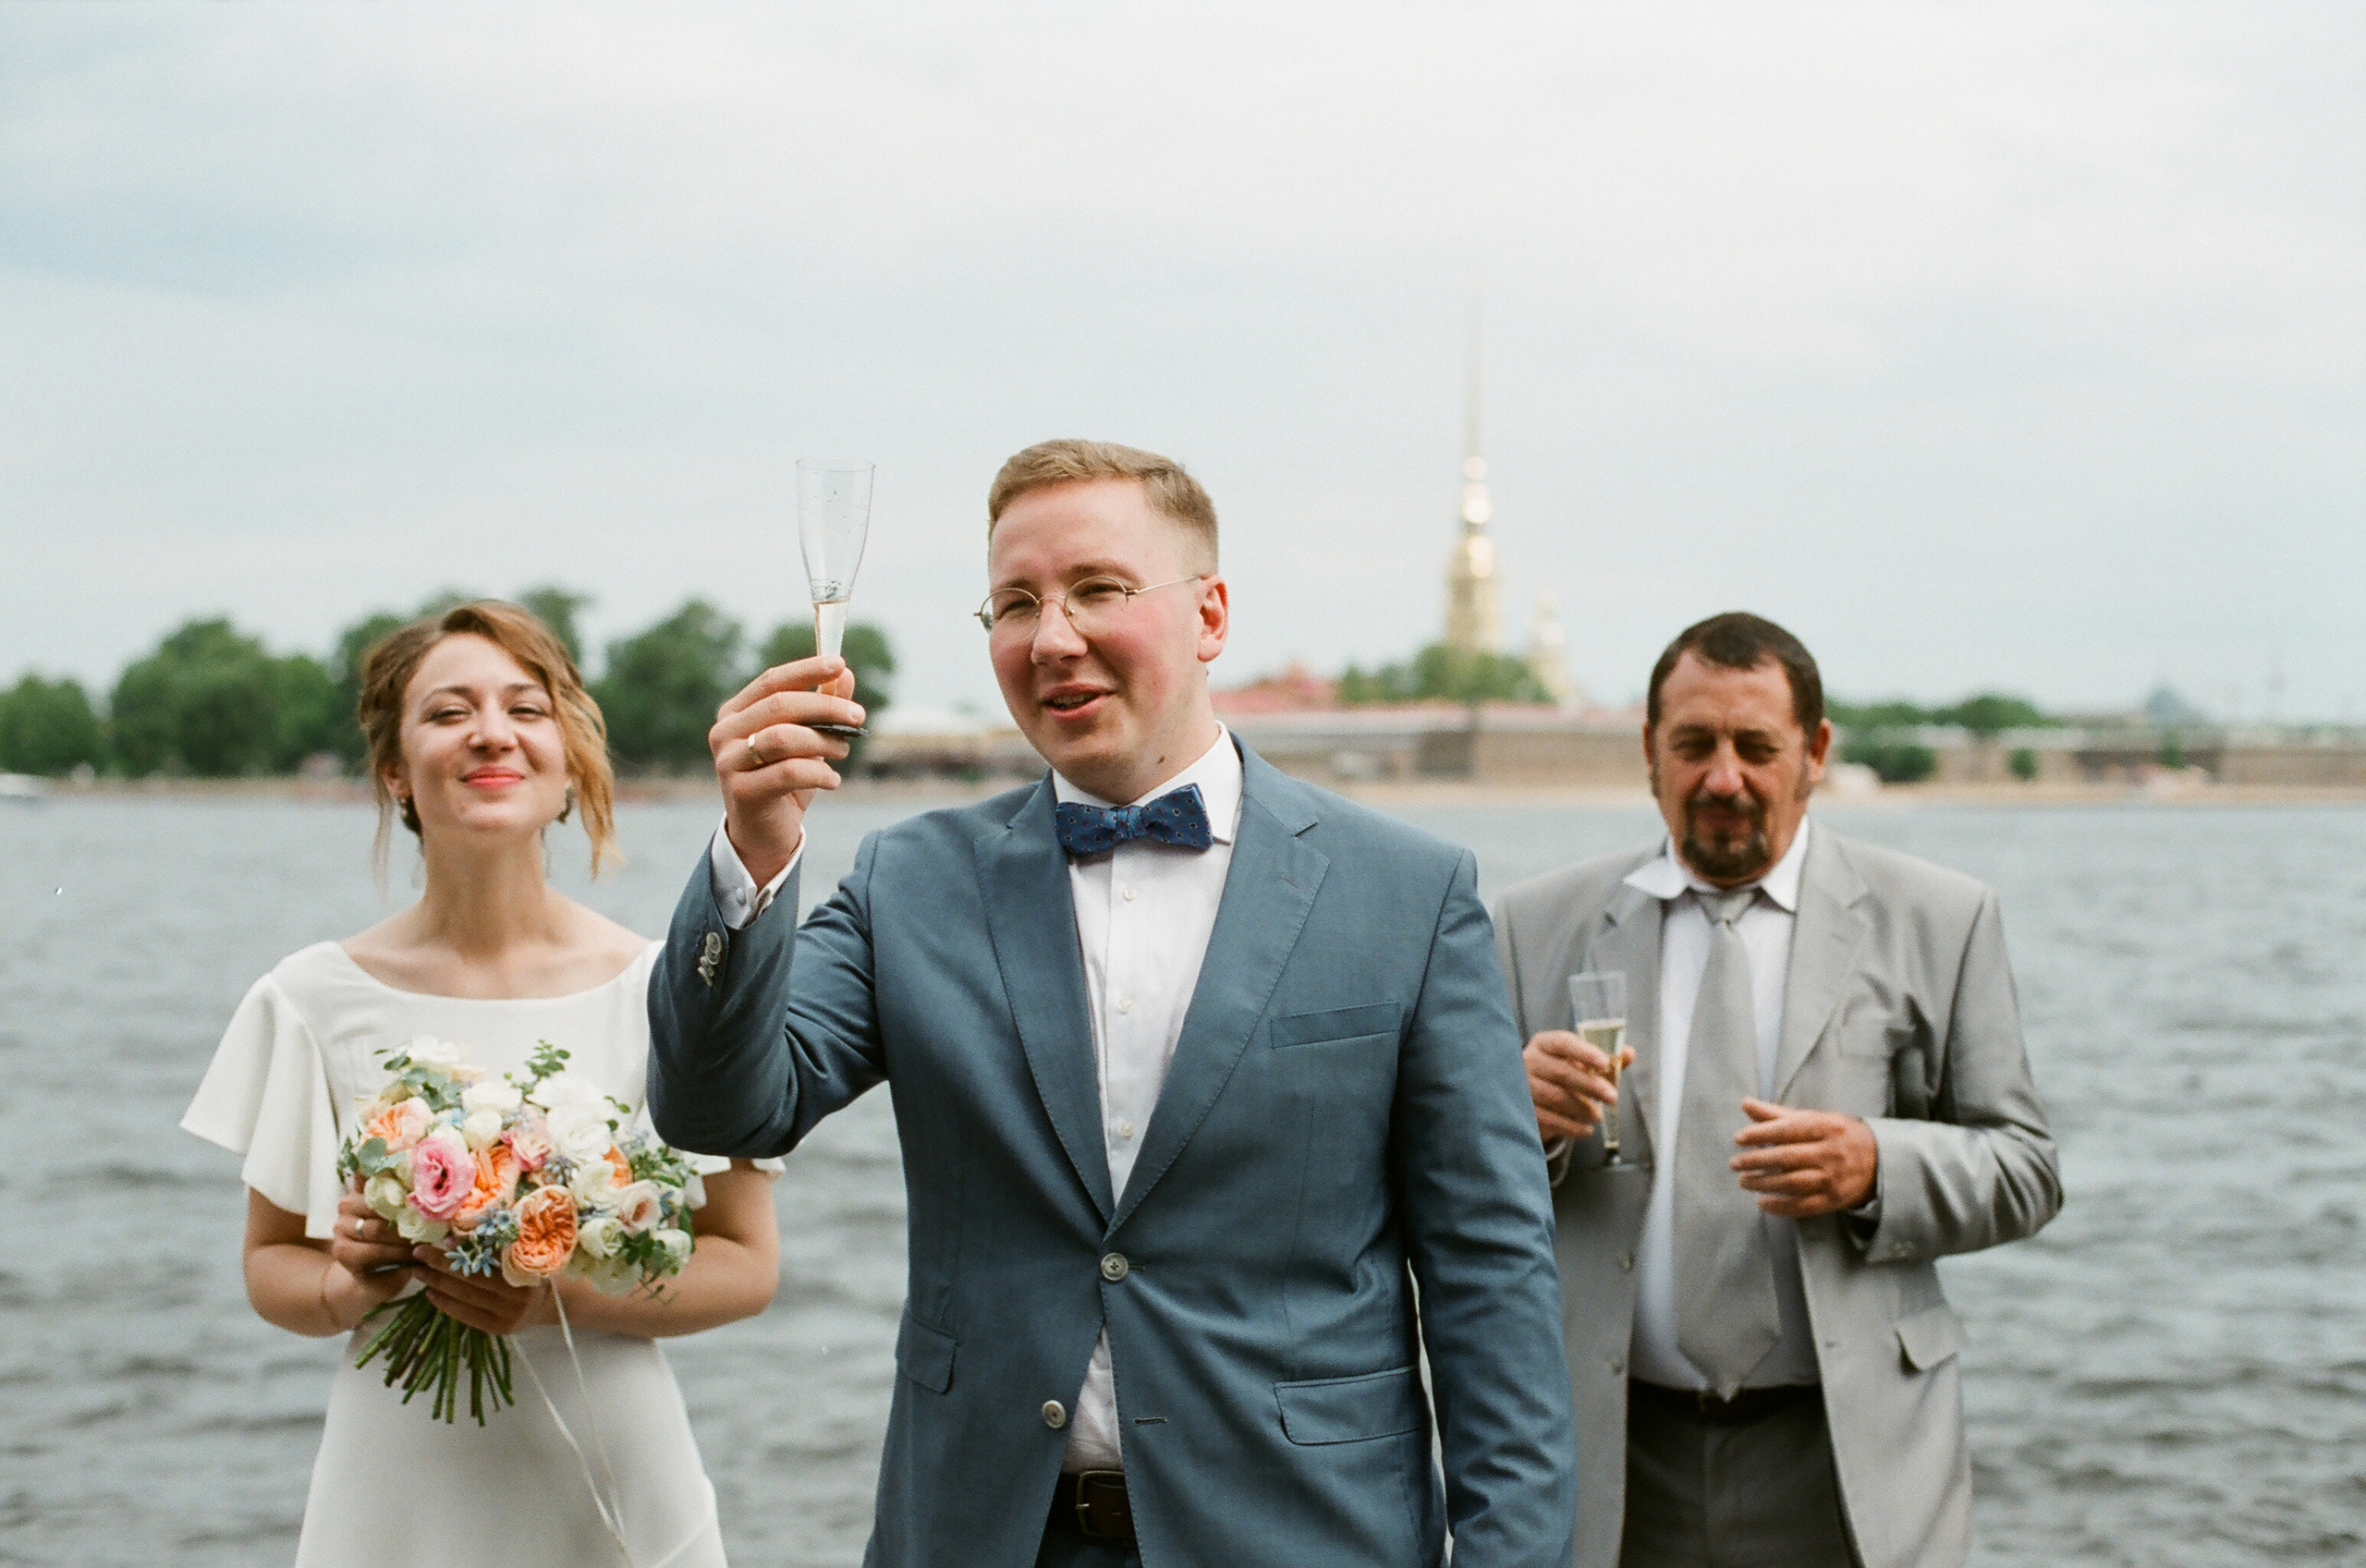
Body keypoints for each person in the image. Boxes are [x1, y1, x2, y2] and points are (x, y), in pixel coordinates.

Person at [646, 440, 1577, 1568]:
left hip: (1307, 1535)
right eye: (1015, 603)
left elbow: (1490, 1271)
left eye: (1098, 590)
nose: (1052, 638)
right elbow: (722, 1110)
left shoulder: (1408, 893)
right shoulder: (911, 881)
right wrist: (752, 853)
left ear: (1210, 613)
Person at [182, 602, 783, 1568]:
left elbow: (747, 1263)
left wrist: (565, 1294)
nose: (490, 732)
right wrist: (346, 1279)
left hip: (613, 1463)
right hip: (399, 1482)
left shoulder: (671, 991)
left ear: (567, 763)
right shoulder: (307, 997)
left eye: (525, 707)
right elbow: (269, 1269)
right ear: (394, 769)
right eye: (448, 710)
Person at [1491, 611, 2061, 1568]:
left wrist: (1878, 1163)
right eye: (1693, 744)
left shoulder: (1940, 917)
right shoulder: (1528, 924)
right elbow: (1438, 1181)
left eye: (1755, 746)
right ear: (1647, 749)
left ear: (1815, 751)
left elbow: (2026, 1166)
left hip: (1849, 1454)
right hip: (1614, 1451)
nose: (1723, 777)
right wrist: (1510, 1115)